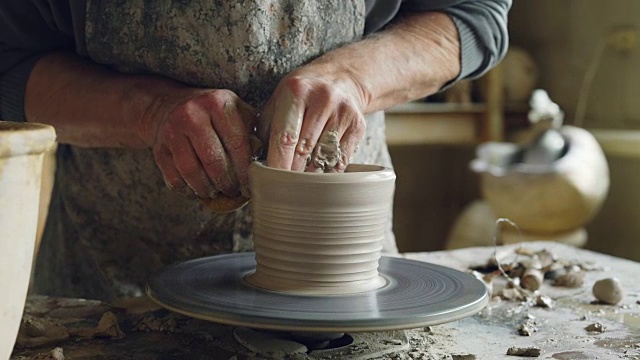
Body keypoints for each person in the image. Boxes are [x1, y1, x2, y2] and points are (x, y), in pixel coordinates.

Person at [0, 0, 511, 301]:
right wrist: (148, 111)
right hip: (115, 278)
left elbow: (474, 13)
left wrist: (354, 78)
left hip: (344, 283)